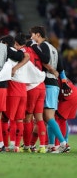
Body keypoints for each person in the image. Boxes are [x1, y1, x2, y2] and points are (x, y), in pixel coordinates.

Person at [29, 25, 71, 153]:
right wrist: (63, 81)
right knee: (49, 118)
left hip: (47, 83)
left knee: (48, 117)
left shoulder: (43, 46)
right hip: (55, 84)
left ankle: (63, 143)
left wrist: (34, 47)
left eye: (32, 35)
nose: (31, 37)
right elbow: (61, 67)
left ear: (37, 35)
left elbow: (45, 59)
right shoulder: (54, 48)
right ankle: (52, 145)